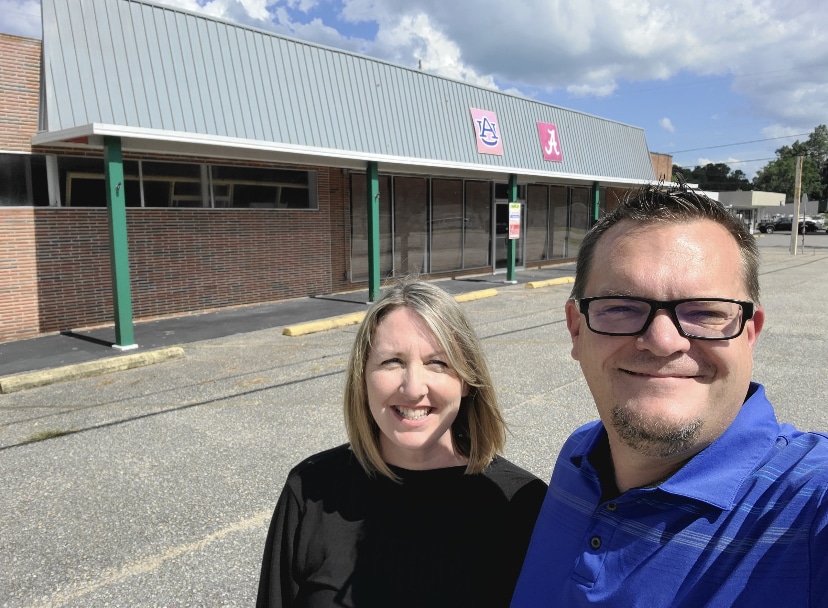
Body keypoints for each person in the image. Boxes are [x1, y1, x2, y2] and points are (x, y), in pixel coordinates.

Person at [511, 183, 828, 607]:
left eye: (705, 311)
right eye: (620, 307)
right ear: (576, 329)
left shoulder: (809, 503)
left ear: (750, 333)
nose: (662, 342)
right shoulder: (580, 455)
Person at [257, 277, 547, 608]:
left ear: (467, 380)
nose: (413, 388)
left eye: (437, 363)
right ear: (363, 377)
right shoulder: (310, 490)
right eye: (392, 361)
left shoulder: (520, 504)